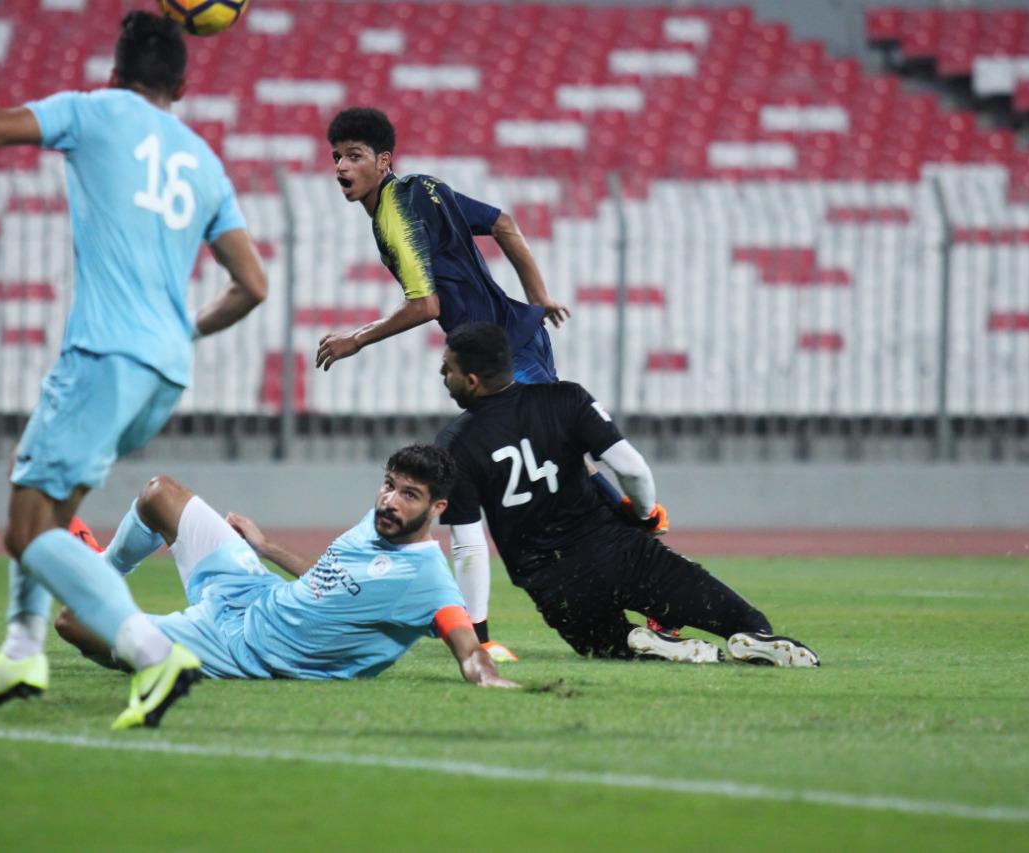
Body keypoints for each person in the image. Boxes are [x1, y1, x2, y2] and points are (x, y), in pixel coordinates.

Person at [0, 11, 269, 729]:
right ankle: (21, 648)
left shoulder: (93, 109)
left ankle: (150, 651)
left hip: (105, 351)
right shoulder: (203, 159)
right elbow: (253, 285)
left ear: (116, 73)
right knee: (42, 494)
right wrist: (186, 327)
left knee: (26, 528)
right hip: (164, 368)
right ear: (181, 80)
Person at [320, 107, 622, 656]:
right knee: (555, 463)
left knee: (500, 475)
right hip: (514, 340)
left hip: (497, 357)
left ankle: (633, 538)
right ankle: (635, 533)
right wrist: (537, 296)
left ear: (383, 161)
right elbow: (503, 222)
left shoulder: (393, 215)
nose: (341, 165)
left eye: (354, 155)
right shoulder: (425, 188)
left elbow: (426, 304)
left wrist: (355, 340)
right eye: (336, 155)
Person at [435, 323, 820, 667]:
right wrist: (645, 513)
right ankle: (753, 637)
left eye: (447, 369)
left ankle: (642, 642)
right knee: (747, 621)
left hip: (554, 583)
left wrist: (479, 635)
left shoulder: (456, 442)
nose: (442, 376)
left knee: (605, 644)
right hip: (623, 553)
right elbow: (632, 467)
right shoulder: (566, 399)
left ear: (471, 380)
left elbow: (468, 547)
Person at [53, 445, 519, 690]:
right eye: (388, 485)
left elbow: (467, 645)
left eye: (408, 495)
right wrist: (266, 547)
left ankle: (156, 655)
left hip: (236, 649)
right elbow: (329, 579)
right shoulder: (377, 523)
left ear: (437, 507)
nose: (389, 501)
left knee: (72, 621)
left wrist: (488, 676)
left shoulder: (429, 581)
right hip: (251, 591)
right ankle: (104, 565)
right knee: (157, 493)